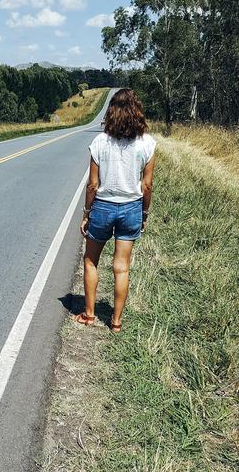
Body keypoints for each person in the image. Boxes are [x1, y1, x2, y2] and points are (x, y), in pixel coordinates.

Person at [75, 88, 156, 333]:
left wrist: (87, 212)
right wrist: (144, 213)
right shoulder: (147, 144)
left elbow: (92, 184)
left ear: (111, 111)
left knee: (91, 260)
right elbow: (147, 185)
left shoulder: (100, 142)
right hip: (131, 207)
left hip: (103, 207)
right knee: (121, 266)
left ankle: (89, 315)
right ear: (137, 111)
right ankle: (116, 322)